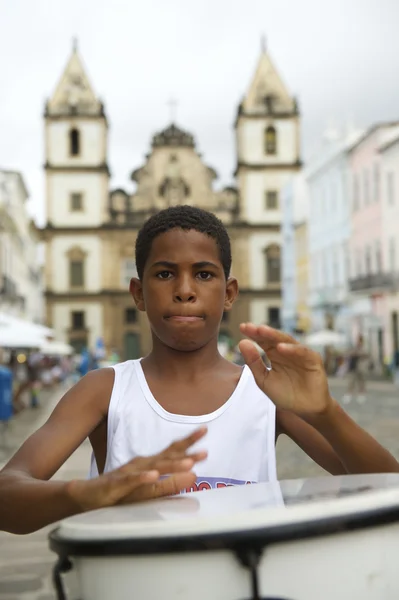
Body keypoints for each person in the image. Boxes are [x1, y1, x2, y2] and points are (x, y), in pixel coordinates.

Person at [0, 206, 398, 536]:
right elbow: (8, 493)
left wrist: (326, 413)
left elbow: (389, 488)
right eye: (164, 273)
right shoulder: (105, 390)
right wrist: (81, 494)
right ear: (138, 293)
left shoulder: (265, 392)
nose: (185, 289)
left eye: (204, 274)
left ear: (229, 294)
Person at [343, 334, 368, 404]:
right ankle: (349, 395)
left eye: (359, 341)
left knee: (361, 382)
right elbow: (348, 353)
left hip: (361, 367)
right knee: (351, 382)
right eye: (357, 340)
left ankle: (361, 395)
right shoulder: (353, 347)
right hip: (353, 367)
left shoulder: (364, 348)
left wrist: (358, 354)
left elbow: (365, 355)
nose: (358, 342)